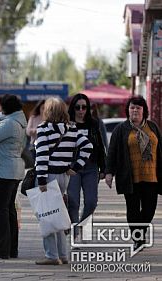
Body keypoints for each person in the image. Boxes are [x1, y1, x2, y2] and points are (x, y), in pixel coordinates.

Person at [34, 97, 92, 265]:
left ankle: (52, 256)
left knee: (46, 216)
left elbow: (42, 155)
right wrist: (76, 166)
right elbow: (88, 146)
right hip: (64, 177)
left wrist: (42, 180)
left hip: (48, 176)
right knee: (57, 215)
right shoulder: (72, 128)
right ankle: (63, 254)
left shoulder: (43, 128)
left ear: (48, 111)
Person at [105, 96, 162, 251]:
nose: (135, 110)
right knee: (133, 209)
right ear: (128, 110)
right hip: (130, 177)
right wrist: (109, 172)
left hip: (151, 177)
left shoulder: (153, 127)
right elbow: (112, 152)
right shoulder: (121, 129)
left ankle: (140, 232)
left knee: (149, 209)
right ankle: (138, 239)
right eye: (132, 107)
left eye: (138, 107)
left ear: (144, 110)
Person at [0, 94, 27, 260]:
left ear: (6, 108)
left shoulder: (10, 123)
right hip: (12, 169)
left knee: (1, 210)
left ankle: (2, 249)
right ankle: (11, 249)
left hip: (4, 171)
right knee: (9, 211)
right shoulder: (19, 121)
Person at [67, 94, 106, 233]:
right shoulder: (67, 124)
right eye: (78, 107)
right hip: (72, 168)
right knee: (73, 201)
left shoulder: (94, 124)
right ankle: (76, 235)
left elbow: (101, 146)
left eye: (84, 107)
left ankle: (81, 226)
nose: (81, 110)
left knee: (91, 202)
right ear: (73, 108)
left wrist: (104, 168)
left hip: (91, 167)